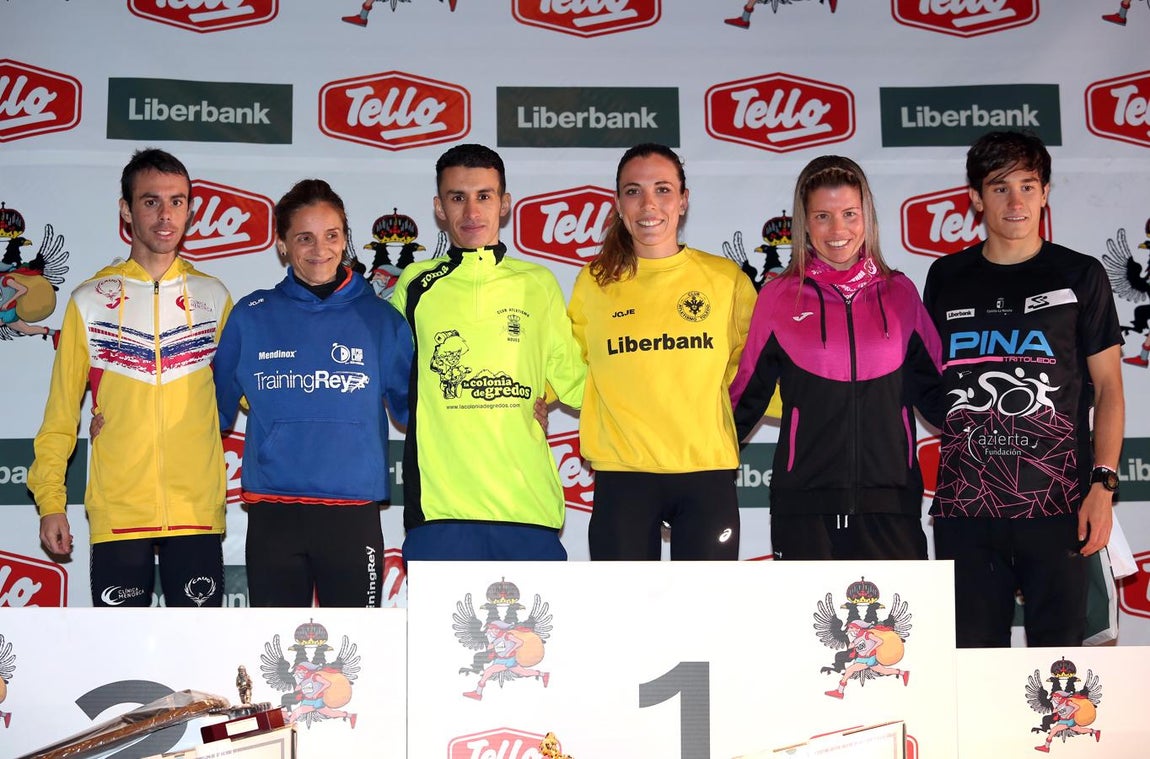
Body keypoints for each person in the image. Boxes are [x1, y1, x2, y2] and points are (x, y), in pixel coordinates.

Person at [923, 131, 1125, 648]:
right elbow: (926, 382)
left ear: (1045, 192)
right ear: (975, 197)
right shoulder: (946, 277)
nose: (1016, 202)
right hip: (965, 510)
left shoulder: (1080, 274)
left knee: (1060, 675)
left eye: (1027, 186)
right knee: (970, 670)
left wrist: (1102, 486)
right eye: (999, 188)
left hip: (1057, 506)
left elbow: (1109, 389)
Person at [29, 148, 232, 607]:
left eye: (177, 201)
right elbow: (61, 416)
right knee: (120, 672)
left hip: (195, 512)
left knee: (196, 666)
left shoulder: (215, 297)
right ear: (126, 209)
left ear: (190, 209)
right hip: (119, 511)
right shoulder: (89, 301)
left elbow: (250, 395)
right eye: (150, 201)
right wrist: (51, 502)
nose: (166, 216)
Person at [730, 155, 944, 561]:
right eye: (823, 216)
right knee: (806, 626)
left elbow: (940, 396)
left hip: (891, 503)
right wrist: (699, 473)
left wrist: (1000, 447)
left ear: (867, 216)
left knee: (894, 627)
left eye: (849, 213)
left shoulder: (900, 293)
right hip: (803, 504)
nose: (838, 230)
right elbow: (746, 398)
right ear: (805, 223)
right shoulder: (778, 296)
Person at [213, 179, 412, 607]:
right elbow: (208, 413)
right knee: (275, 652)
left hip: (352, 512)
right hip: (274, 514)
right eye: (304, 237)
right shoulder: (250, 316)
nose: (319, 249)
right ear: (282, 244)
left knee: (357, 652)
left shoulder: (383, 320)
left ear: (345, 240)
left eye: (331, 236)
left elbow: (417, 413)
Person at [390, 143, 585, 561]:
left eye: (484, 196)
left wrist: (544, 393)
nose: (471, 212)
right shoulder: (415, 283)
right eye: (457, 198)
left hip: (527, 508)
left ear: (505, 204)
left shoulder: (538, 282)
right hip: (440, 511)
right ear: (439, 207)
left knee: (531, 630)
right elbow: (385, 371)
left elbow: (578, 382)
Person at [567, 143, 755, 561]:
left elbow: (754, 373)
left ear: (684, 200)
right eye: (633, 191)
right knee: (625, 620)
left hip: (705, 471)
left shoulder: (726, 281)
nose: (648, 204)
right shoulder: (594, 283)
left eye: (663, 189)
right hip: (624, 476)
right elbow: (568, 366)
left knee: (705, 617)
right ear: (618, 203)